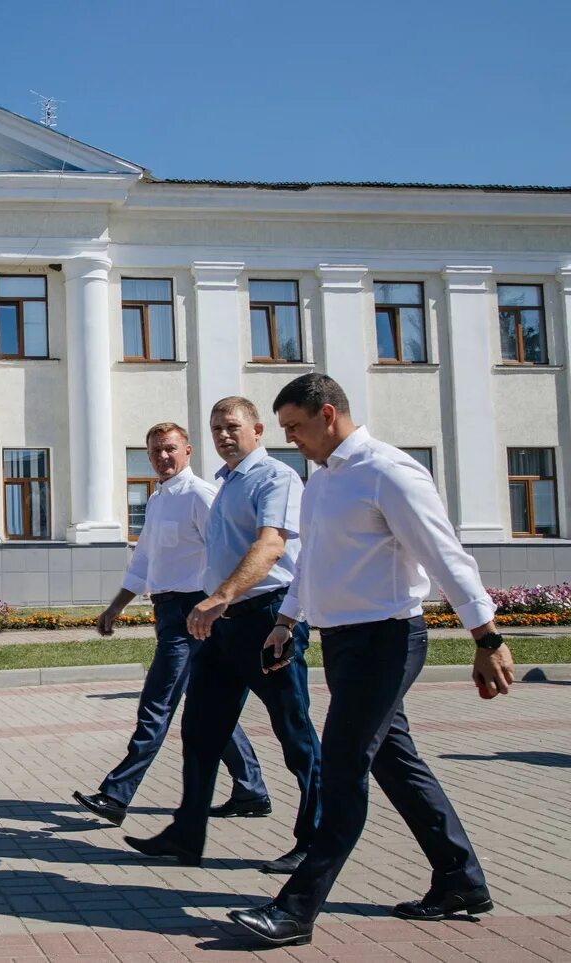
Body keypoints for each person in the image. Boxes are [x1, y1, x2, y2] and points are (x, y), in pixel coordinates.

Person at [229, 374, 515, 948]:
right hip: (343, 642)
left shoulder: (388, 470)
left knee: (342, 765)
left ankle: (297, 909)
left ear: (327, 414)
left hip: (388, 639)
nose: (291, 440)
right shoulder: (323, 481)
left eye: (295, 428)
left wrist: (486, 637)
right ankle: (460, 877)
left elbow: (444, 552)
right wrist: (286, 621)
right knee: (394, 761)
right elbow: (314, 565)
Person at [124, 397, 321, 874]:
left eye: (232, 427)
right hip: (222, 623)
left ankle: (316, 838)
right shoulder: (223, 483)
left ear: (257, 430)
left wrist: (221, 596)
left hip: (267, 620)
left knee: (293, 732)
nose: (224, 436)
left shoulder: (276, 477)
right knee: (200, 730)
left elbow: (270, 545)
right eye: (216, 428)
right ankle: (187, 833)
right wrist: (211, 603)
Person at [73, 423, 272, 829]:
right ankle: (251, 789)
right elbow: (144, 560)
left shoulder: (200, 495)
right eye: (154, 452)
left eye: (169, 449)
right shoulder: (158, 498)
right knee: (210, 707)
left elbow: (226, 552)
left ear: (187, 451)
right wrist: (115, 607)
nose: (162, 457)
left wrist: (215, 604)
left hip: (191, 614)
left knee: (156, 706)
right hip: (167, 612)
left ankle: (116, 794)